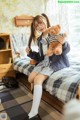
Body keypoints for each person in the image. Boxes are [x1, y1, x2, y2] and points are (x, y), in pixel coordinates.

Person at [25, 13, 70, 120]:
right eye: (37, 26)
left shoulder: (53, 33)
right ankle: (36, 92)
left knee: (37, 79)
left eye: (40, 23)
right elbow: (40, 56)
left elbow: (66, 50)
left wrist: (63, 43)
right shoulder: (40, 39)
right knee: (30, 78)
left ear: (45, 21)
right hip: (43, 62)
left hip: (54, 62)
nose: (40, 27)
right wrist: (30, 53)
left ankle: (34, 113)